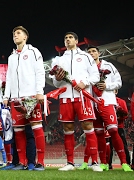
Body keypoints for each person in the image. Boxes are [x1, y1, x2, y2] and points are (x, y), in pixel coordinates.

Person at [51, 32, 102, 171]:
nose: (67, 40)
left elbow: (95, 75)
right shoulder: (58, 60)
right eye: (65, 38)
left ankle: (95, 163)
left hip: (83, 96)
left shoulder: (85, 56)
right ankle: (70, 163)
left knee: (88, 126)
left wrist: (84, 82)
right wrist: (58, 79)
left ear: (76, 40)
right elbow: (55, 83)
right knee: (67, 129)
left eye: (70, 37)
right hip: (65, 97)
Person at [3, 26, 46, 170]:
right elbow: (9, 78)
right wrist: (6, 96)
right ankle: (22, 162)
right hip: (16, 98)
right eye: (14, 33)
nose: (15, 35)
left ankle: (40, 162)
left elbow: (40, 72)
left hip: (31, 96)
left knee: (36, 128)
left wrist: (39, 91)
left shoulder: (34, 52)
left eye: (18, 33)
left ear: (25, 37)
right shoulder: (11, 57)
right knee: (18, 130)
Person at [86, 46, 132, 171]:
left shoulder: (108, 66)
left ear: (99, 53)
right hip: (93, 103)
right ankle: (104, 163)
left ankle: (124, 163)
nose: (91, 53)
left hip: (107, 102)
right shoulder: (85, 69)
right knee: (99, 134)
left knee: (113, 131)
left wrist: (107, 85)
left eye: (94, 51)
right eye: (89, 52)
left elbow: (119, 82)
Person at [107, 90, 131, 170]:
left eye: (113, 90)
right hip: (108, 127)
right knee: (108, 146)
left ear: (116, 91)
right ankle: (108, 164)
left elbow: (126, 115)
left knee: (123, 145)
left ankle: (127, 163)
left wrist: (118, 118)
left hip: (119, 127)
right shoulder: (106, 101)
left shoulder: (121, 101)